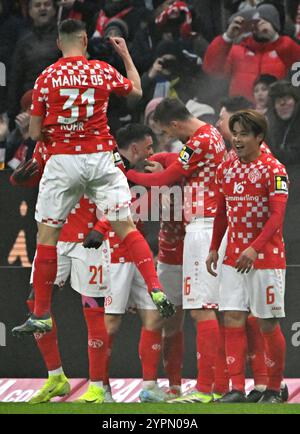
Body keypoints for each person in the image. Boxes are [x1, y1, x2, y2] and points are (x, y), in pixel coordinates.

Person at [12, 19, 175, 337]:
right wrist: (126, 55)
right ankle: (155, 288)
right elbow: (137, 93)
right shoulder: (101, 69)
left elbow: (33, 132)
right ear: (85, 40)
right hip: (100, 157)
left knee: (46, 237)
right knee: (126, 228)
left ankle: (42, 313)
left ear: (59, 44)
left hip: (62, 160)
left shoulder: (46, 77)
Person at [125, 98, 227, 403]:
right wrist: (164, 161)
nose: (172, 140)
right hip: (201, 227)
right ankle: (203, 385)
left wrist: (127, 174)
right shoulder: (209, 136)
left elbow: (166, 178)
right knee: (194, 310)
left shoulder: (198, 141)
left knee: (201, 309)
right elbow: (176, 164)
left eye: (168, 133)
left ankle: (208, 388)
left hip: (202, 225)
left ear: (174, 124)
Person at [83, 123, 184, 402]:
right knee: (111, 323)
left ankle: (149, 387)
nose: (152, 152)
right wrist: (102, 229)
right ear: (136, 148)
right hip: (112, 252)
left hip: (135, 250)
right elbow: (109, 208)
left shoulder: (129, 172)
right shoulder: (110, 169)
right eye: (149, 147)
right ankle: (100, 387)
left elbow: (180, 163)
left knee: (153, 316)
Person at [10, 141, 112, 404]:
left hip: (89, 240)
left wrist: (102, 226)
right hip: (54, 239)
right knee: (36, 303)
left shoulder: (99, 142)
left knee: (93, 310)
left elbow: (119, 192)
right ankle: (56, 378)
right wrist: (20, 177)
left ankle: (98, 386)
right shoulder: (46, 145)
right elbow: (39, 180)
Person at [206, 109, 288, 403]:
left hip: (265, 257)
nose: (237, 140)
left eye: (243, 134)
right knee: (232, 317)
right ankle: (237, 388)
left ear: (259, 137)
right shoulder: (226, 169)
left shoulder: (273, 169)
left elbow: (277, 217)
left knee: (267, 321)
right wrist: (215, 247)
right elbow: (221, 212)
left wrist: (254, 248)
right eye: (235, 133)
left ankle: (275, 389)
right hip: (232, 257)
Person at [203, 3, 300, 100]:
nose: (261, 26)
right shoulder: (237, 50)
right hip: (241, 111)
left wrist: (275, 39)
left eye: (266, 22)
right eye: (257, 22)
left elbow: (297, 67)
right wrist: (227, 37)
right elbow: (212, 70)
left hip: (274, 111)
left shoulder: (285, 49)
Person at [267, 80, 300, 165]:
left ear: (296, 102)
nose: (282, 104)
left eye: (286, 99)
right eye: (278, 101)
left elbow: (293, 156)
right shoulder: (271, 129)